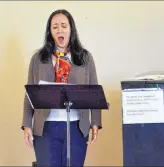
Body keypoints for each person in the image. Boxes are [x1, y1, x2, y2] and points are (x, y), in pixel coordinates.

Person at [21, 9, 102, 167]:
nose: (60, 30)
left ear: (71, 29)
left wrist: (96, 123)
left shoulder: (85, 58)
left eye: (64, 26)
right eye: (55, 27)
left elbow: (95, 91)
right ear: (50, 32)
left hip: (77, 127)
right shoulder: (38, 59)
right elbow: (29, 95)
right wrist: (26, 125)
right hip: (46, 128)